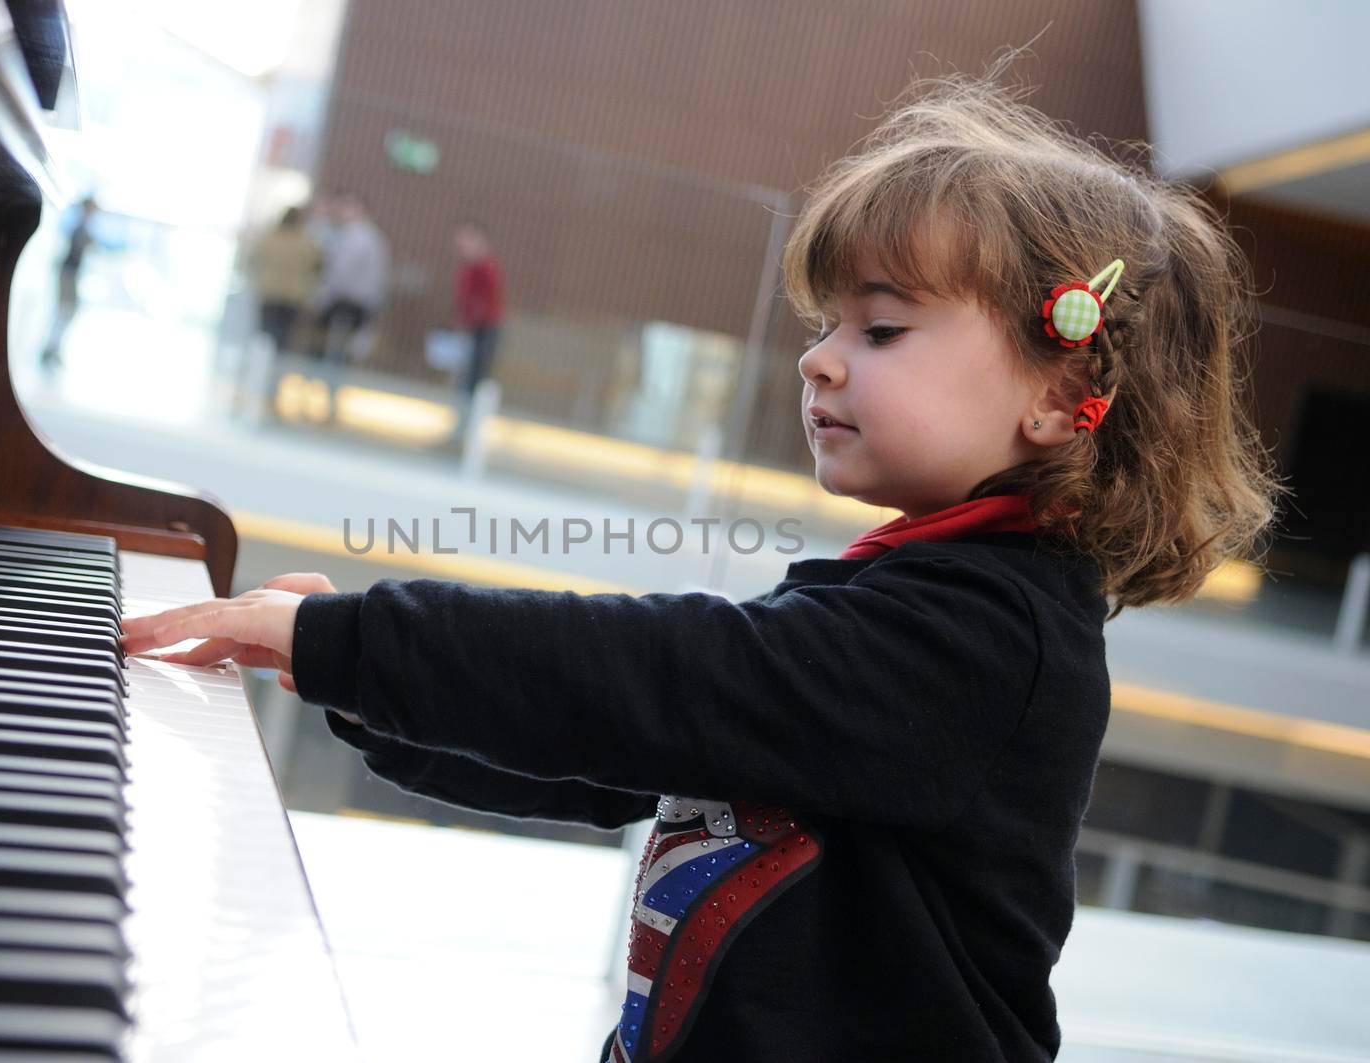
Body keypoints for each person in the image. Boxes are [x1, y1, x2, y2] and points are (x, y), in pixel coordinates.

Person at [122, 76, 1279, 1062]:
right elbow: (624, 758)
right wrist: (365, 687)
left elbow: (667, 676)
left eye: (878, 330)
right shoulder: (903, 593)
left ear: (1054, 396)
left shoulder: (988, 641)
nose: (819, 361)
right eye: (824, 326)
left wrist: (366, 644)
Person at [308, 191, 388, 417]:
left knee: (337, 353)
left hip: (347, 304)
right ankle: (327, 399)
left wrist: (323, 297)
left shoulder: (359, 238)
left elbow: (341, 274)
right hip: (350, 303)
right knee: (336, 353)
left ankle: (329, 401)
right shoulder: (354, 236)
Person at [446, 220, 506, 444]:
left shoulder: (485, 268)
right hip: (473, 328)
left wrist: (470, 322)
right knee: (463, 379)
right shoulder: (469, 268)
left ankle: (468, 430)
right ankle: (460, 426)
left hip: (483, 329)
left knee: (474, 379)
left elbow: (486, 302)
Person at [246, 204, 322, 358]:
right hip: (293, 295)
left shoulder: (270, 237)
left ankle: (260, 367)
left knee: (265, 335)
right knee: (285, 338)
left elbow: (253, 260)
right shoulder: (306, 241)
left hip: (270, 292)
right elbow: (317, 266)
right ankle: (276, 369)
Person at [41, 196, 98, 371]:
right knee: (65, 311)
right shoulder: (79, 227)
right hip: (68, 274)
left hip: (70, 274)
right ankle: (50, 349)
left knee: (67, 312)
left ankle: (53, 348)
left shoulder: (83, 228)